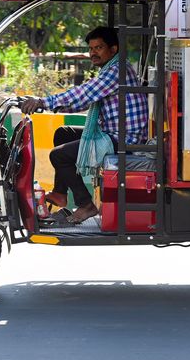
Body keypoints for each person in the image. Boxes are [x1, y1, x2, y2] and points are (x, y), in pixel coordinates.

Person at [21, 26, 148, 224]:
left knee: (59, 155)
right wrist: (44, 104)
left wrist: (44, 102)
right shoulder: (113, 68)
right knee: (63, 133)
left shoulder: (116, 71)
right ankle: (60, 193)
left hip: (124, 138)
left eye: (99, 48)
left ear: (113, 49)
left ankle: (86, 205)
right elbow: (82, 101)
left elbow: (84, 93)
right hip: (114, 132)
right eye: (91, 49)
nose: (93, 53)